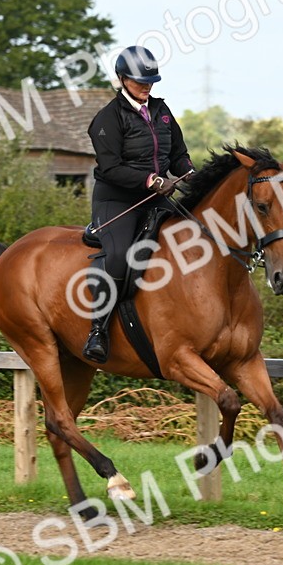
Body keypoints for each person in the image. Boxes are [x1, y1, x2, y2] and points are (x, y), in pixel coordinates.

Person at [82, 45, 195, 363]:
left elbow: (178, 155)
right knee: (118, 256)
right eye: (139, 81)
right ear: (121, 79)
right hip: (118, 201)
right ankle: (98, 331)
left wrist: (189, 173)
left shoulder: (162, 111)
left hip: (158, 200)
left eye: (150, 81)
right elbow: (110, 168)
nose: (146, 87)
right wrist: (150, 180)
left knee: (195, 234)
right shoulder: (107, 119)